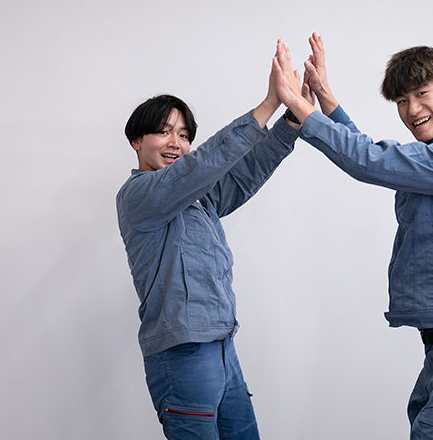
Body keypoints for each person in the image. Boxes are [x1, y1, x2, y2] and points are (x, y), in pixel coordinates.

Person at [272, 34, 433, 439]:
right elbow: (376, 155)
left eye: (421, 94)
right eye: (402, 100)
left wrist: (299, 107)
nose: (411, 109)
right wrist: (326, 99)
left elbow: (373, 162)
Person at [116, 53, 300, 439]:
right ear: (136, 140)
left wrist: (293, 118)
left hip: (223, 348)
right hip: (183, 356)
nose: (176, 143)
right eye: (164, 132)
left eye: (184, 136)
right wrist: (268, 103)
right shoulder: (138, 195)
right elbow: (201, 166)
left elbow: (244, 172)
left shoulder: (198, 198)